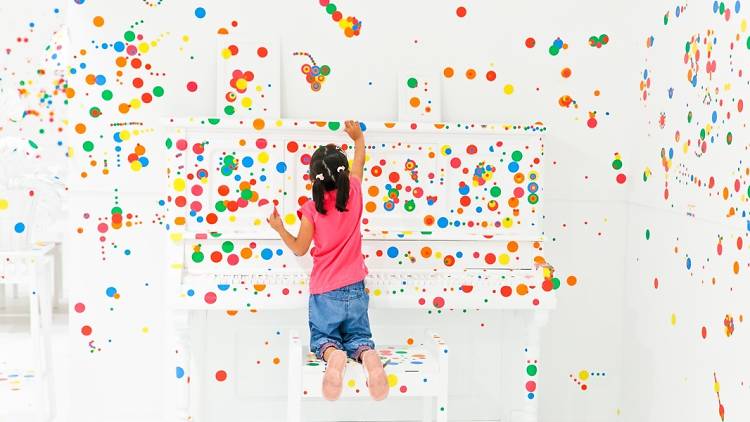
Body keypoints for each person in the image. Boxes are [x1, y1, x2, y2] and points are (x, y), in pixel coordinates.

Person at [267, 120, 388, 401]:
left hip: (325, 292)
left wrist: (279, 228)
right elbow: (360, 163)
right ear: (344, 174)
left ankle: (334, 358)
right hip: (356, 287)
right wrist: (358, 138)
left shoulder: (311, 209)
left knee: (324, 340)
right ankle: (369, 358)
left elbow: (299, 249)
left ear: (313, 179)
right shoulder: (355, 194)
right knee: (359, 338)